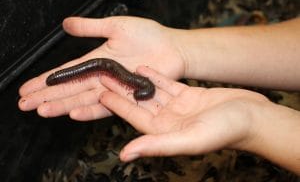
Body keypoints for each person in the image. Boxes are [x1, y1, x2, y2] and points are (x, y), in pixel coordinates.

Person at [18, 16, 300, 174]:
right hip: (120, 74)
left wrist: (257, 125)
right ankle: (59, 78)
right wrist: (179, 47)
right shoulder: (137, 84)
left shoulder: (141, 86)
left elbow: (133, 84)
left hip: (126, 77)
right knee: (89, 70)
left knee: (95, 70)